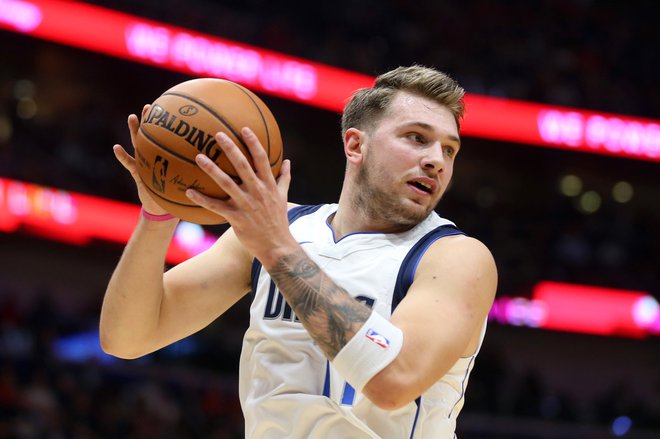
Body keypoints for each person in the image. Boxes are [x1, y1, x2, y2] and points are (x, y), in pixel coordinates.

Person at [100, 65, 497, 438]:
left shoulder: (454, 258)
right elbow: (127, 338)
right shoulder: (277, 231)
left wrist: (277, 249)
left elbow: (394, 380)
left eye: (449, 150)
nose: (435, 161)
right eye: (417, 138)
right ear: (356, 144)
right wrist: (159, 213)